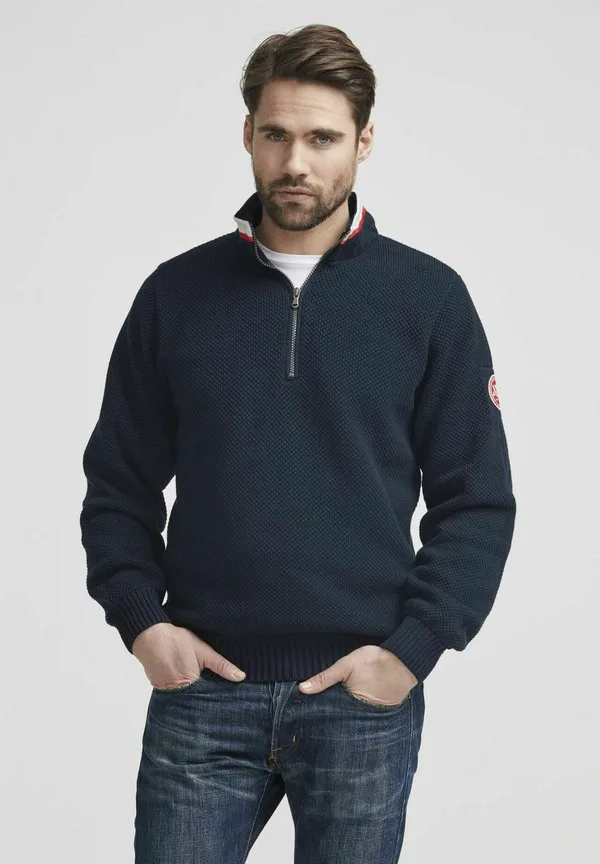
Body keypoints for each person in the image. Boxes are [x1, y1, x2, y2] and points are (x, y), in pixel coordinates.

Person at [80, 23, 517, 863]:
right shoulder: (175, 295)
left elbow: (478, 502)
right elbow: (118, 486)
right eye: (276, 135)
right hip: (204, 695)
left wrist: (411, 652)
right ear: (248, 134)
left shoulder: (428, 299)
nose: (295, 163)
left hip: (361, 701)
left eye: (322, 138)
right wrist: (142, 623)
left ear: (363, 141)